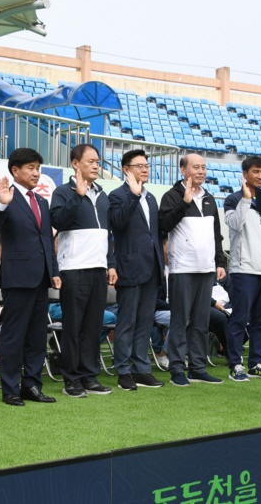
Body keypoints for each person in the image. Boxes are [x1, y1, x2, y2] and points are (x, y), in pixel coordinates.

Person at [0, 148, 61, 406]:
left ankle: (32, 386)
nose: (36, 172)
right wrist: (2, 204)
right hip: (17, 278)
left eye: (38, 167)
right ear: (15, 171)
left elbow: (47, 241)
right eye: (30, 167)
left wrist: (55, 271)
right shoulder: (4, 197)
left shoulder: (41, 201)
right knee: (14, 336)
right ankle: (10, 389)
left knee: (38, 336)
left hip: (41, 278)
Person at [50, 144, 116, 397]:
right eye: (90, 161)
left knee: (93, 325)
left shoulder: (102, 194)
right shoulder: (63, 192)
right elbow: (58, 221)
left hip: (98, 269)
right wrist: (78, 196)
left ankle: (89, 375)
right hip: (73, 269)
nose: (96, 166)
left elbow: (107, 235)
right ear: (75, 163)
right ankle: (71, 379)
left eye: (98, 161)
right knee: (73, 326)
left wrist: (110, 263)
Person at [159, 153, 226, 386]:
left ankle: (198, 367)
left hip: (206, 269)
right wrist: (184, 203)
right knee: (180, 320)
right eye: (195, 167)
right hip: (182, 269)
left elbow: (216, 233)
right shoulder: (171, 196)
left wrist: (219, 262)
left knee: (201, 321)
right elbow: (163, 225)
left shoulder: (209, 198)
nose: (201, 171)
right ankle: (177, 368)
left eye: (204, 167)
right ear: (183, 170)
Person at [108, 149, 165, 390]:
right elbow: (117, 223)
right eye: (139, 165)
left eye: (146, 165)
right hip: (129, 267)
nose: (144, 169)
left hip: (152, 267)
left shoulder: (151, 198)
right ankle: (123, 370)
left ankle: (141, 368)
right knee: (127, 321)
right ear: (126, 169)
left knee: (145, 321)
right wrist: (133, 196)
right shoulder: (117, 195)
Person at [223, 156, 261, 382]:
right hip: (244, 269)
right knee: (240, 318)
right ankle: (235, 365)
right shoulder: (233, 199)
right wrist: (246, 200)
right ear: (245, 173)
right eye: (256, 171)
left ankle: (257, 362)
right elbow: (235, 224)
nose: (260, 176)